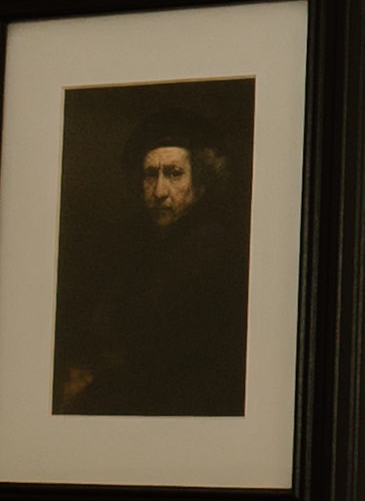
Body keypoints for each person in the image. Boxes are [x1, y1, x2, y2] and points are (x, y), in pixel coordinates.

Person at [54, 107, 250, 416]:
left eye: (174, 174)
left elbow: (161, 367)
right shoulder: (147, 246)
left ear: (200, 180)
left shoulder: (210, 250)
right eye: (150, 175)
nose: (159, 191)